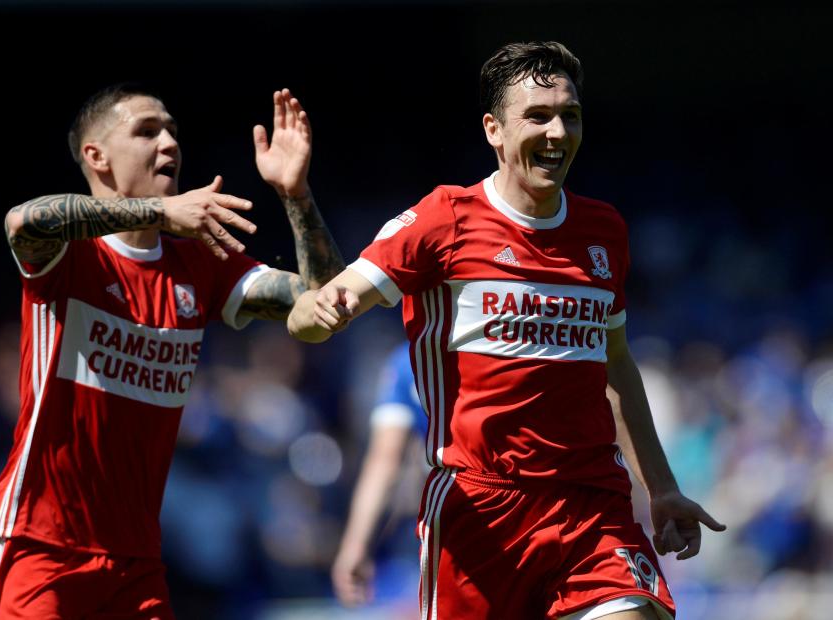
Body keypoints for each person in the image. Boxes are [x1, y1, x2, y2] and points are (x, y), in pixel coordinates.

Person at [288, 42, 725, 619]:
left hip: (591, 506)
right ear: (494, 130)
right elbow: (310, 318)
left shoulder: (604, 230)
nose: (557, 132)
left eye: (569, 115)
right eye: (537, 116)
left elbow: (614, 363)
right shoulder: (445, 219)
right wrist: (315, 310)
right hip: (480, 512)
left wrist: (661, 486)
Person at [0, 84, 344, 619]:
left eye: (172, 130)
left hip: (136, 563)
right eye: (147, 131)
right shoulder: (69, 254)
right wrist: (158, 210)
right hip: (40, 546)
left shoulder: (201, 265)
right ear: (96, 156)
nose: (169, 142)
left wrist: (296, 196)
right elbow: (21, 222)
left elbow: (324, 309)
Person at [332, 342, 428, 607]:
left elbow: (384, 460)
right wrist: (356, 544)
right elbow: (384, 460)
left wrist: (355, 546)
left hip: (459, 515)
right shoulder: (406, 363)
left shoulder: (410, 360)